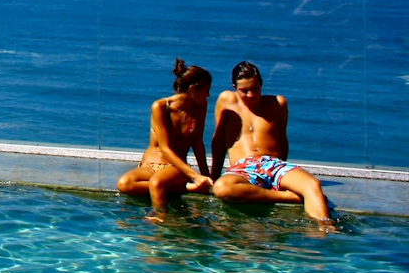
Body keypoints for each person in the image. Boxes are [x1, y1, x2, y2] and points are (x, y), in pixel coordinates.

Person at [211, 60, 335, 224]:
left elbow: (282, 140)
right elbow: (218, 141)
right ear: (234, 87)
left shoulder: (278, 103)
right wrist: (213, 176)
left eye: (255, 89)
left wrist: (283, 177)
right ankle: (289, 197)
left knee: (312, 184)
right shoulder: (226, 100)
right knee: (222, 188)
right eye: (244, 90)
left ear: (261, 84)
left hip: (274, 165)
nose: (251, 95)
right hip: (243, 168)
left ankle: (326, 230)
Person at [116, 59, 213, 218]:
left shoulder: (200, 106)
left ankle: (161, 219)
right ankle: (185, 188)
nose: (209, 94)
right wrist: (195, 177)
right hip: (150, 165)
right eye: (207, 90)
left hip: (175, 167)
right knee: (124, 183)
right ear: (193, 89)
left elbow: (197, 142)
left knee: (157, 183)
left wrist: (205, 176)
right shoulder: (161, 107)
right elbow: (165, 148)